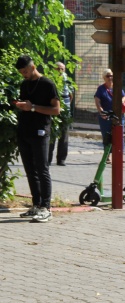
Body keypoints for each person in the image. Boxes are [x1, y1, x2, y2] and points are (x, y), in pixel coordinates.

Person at [14, 55, 61, 223]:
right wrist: (20, 105)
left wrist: (32, 107)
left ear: (33, 67)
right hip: (25, 131)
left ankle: (46, 208)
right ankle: (36, 204)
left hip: (40, 131)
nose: (24, 75)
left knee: (42, 169)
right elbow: (26, 105)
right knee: (30, 170)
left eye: (25, 71)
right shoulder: (24, 84)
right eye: (21, 72)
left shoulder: (47, 84)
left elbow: (56, 110)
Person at [94, 68, 125, 164]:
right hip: (106, 116)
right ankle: (107, 156)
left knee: (120, 135)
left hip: (118, 115)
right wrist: (101, 112)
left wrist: (122, 101)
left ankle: (120, 156)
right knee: (107, 136)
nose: (110, 77)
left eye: (111, 75)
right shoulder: (101, 89)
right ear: (104, 78)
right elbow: (97, 101)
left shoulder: (117, 87)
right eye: (108, 76)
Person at [48, 62, 73, 166]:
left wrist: (65, 107)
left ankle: (61, 159)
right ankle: (48, 159)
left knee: (64, 136)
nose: (60, 71)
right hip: (53, 112)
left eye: (62, 69)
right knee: (52, 136)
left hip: (65, 113)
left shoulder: (67, 80)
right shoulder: (50, 80)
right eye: (58, 69)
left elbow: (71, 95)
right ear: (54, 69)